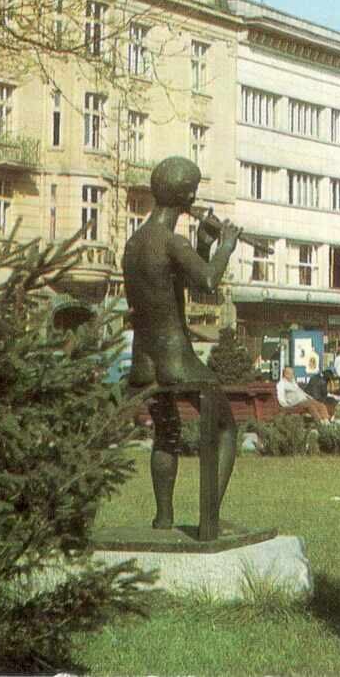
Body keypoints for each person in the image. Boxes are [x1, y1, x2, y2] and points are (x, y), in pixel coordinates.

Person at [123, 156, 242, 532]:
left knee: (166, 433)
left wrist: (203, 245)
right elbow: (207, 283)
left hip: (144, 362)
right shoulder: (171, 241)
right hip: (177, 360)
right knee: (225, 430)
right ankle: (208, 520)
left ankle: (164, 518)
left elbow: (177, 284)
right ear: (188, 195)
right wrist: (225, 246)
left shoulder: (135, 242)